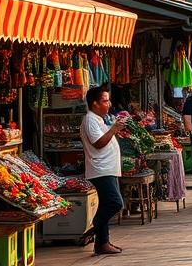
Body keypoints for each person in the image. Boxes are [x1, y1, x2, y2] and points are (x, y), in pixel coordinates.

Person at [80, 85, 130, 255]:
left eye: (108, 100)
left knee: (106, 203)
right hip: (100, 169)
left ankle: (103, 243)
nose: (108, 104)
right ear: (94, 104)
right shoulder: (90, 120)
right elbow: (98, 143)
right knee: (115, 203)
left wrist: (115, 127)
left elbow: (105, 138)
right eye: (105, 101)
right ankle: (93, 229)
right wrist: (114, 129)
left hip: (108, 168)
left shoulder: (100, 119)